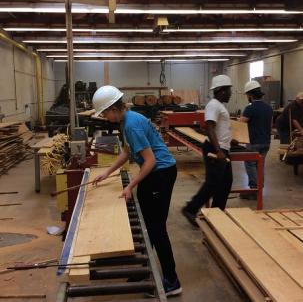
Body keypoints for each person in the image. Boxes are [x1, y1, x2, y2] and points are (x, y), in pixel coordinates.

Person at [92, 85, 182, 297]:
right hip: (156, 173)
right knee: (147, 225)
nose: (105, 117)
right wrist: (108, 172)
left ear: (114, 108)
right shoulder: (128, 119)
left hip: (160, 173)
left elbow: (150, 161)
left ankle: (172, 280)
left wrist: (130, 186)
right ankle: (144, 269)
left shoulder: (131, 124)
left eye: (105, 113)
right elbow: (128, 151)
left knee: (157, 229)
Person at [182, 75, 233, 227]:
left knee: (225, 182)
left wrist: (230, 139)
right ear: (222, 90)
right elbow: (209, 126)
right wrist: (218, 151)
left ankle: (216, 213)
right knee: (213, 183)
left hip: (222, 148)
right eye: (229, 90)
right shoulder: (214, 105)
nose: (231, 93)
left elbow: (216, 127)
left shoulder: (219, 105)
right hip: (215, 149)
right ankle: (190, 209)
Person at [239, 80, 273, 200]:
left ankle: (253, 189)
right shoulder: (269, 108)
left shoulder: (250, 108)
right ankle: (259, 188)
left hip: (253, 142)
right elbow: (270, 125)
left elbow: (240, 124)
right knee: (260, 165)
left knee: (250, 164)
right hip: (266, 142)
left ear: (250, 95)